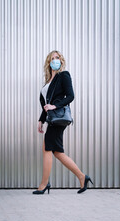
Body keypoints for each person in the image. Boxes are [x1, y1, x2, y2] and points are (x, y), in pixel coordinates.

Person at [33, 50, 93, 195]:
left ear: (61, 60)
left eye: (57, 58)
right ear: (48, 62)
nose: (55, 60)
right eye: (52, 58)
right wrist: (41, 120)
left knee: (47, 147)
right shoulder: (48, 82)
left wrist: (55, 106)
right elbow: (45, 105)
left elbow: (70, 95)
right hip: (51, 118)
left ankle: (44, 184)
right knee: (57, 152)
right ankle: (82, 176)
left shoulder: (63, 75)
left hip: (58, 117)